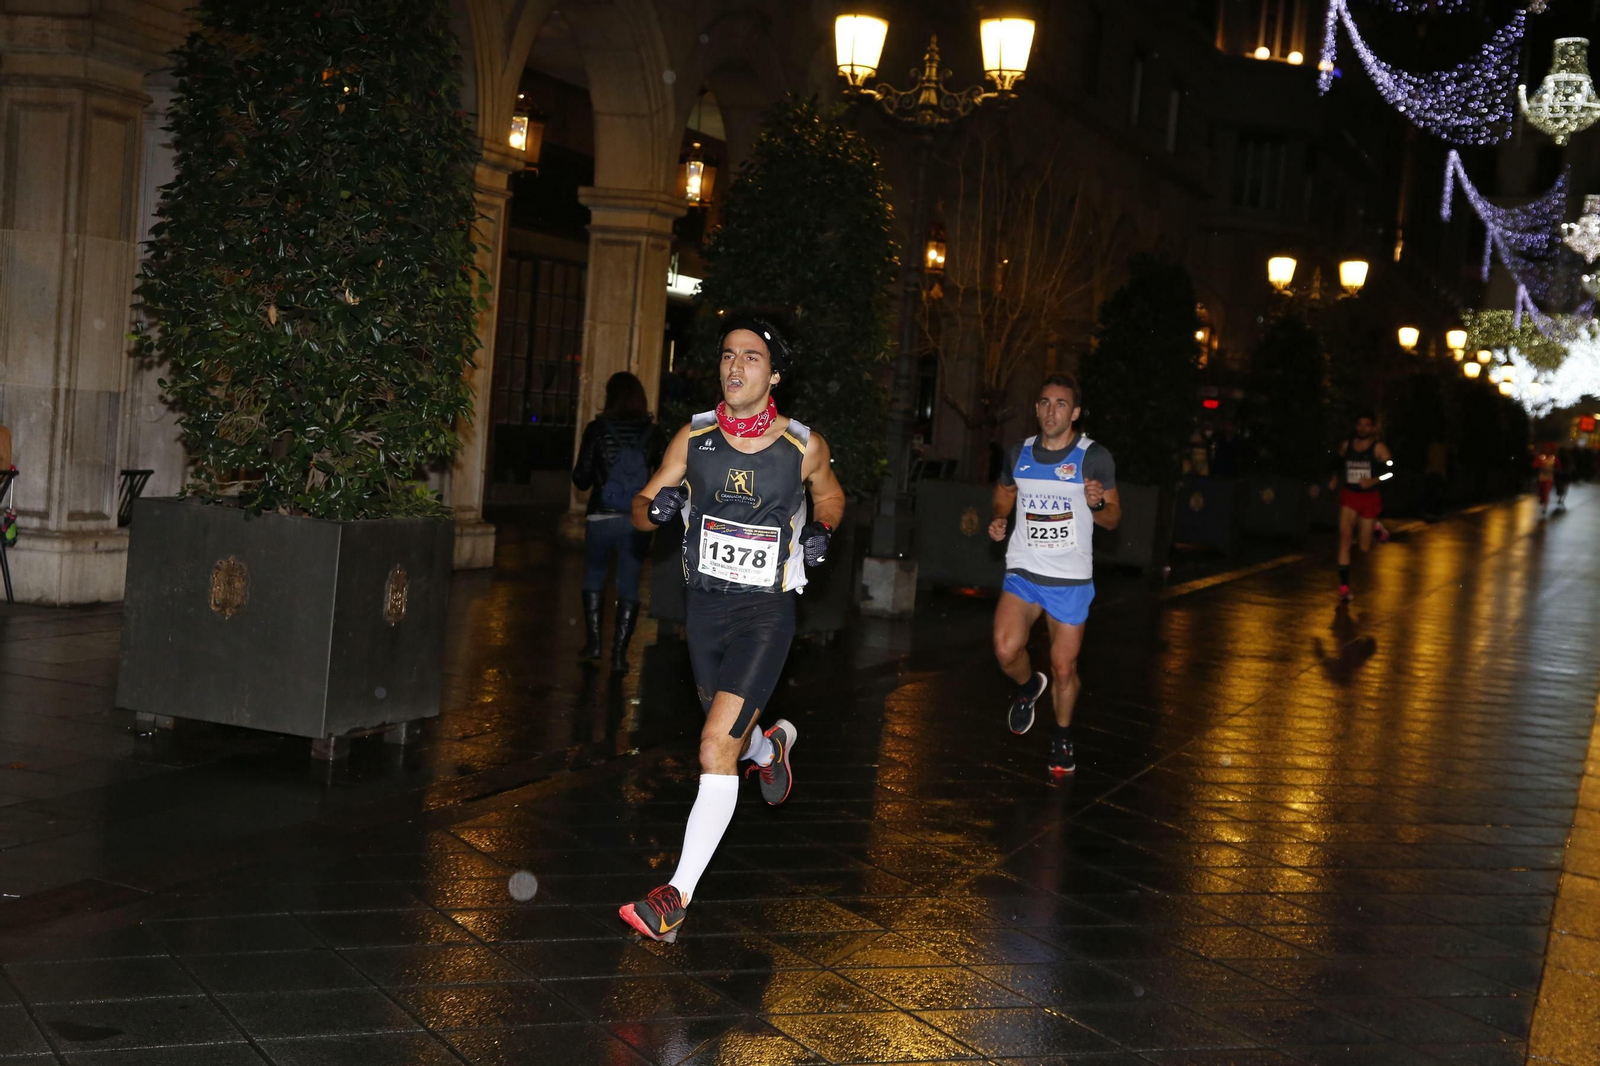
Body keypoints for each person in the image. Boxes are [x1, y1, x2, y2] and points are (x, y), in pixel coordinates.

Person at [618, 316, 844, 941]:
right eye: (727, 355)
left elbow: (830, 496)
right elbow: (638, 507)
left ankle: (675, 895)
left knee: (715, 746)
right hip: (705, 611)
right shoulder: (693, 438)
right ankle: (770, 750)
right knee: (734, 740)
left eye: (751, 356)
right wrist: (655, 510)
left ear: (774, 375)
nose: (735, 366)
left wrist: (823, 528)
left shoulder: (803, 445)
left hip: (765, 613)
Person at [988, 374, 1120, 776]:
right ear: (1036, 408)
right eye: (1045, 403)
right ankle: (1029, 686)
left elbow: (1113, 519)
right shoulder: (1019, 452)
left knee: (1064, 668)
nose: (1051, 411)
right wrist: (999, 517)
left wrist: (1098, 505)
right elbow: (1005, 492)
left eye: (1061, 404)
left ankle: (1062, 735)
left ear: (1075, 412)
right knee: (1005, 649)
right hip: (1025, 570)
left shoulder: (1093, 457)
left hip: (1070, 580)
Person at [570, 372, 665, 673]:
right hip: (636, 520)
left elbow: (581, 478)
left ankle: (594, 645)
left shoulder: (597, 429)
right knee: (629, 582)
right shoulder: (653, 433)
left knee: (594, 575)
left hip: (601, 516)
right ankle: (620, 656)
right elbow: (665, 478)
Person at [1329, 412, 1392, 604]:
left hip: (1369, 499)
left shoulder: (1379, 448)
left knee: (1364, 547)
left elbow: (1391, 472)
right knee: (1345, 538)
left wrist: (1374, 480)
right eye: (1360, 424)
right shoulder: (1347, 445)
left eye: (1367, 425)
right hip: (1349, 496)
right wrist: (1335, 477)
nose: (1362, 428)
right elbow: (1338, 461)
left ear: (1373, 428)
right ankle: (1344, 587)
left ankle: (1376, 529)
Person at [1533, 445, 1559, 517]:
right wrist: (1540, 466)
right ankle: (1542, 500)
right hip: (1541, 477)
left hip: (1549, 477)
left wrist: (1556, 469)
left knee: (1546, 491)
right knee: (1541, 491)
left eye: (1549, 449)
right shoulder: (1541, 457)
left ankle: (1545, 506)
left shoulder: (1553, 458)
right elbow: (1535, 465)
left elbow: (1558, 466)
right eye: (1546, 448)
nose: (1547, 450)